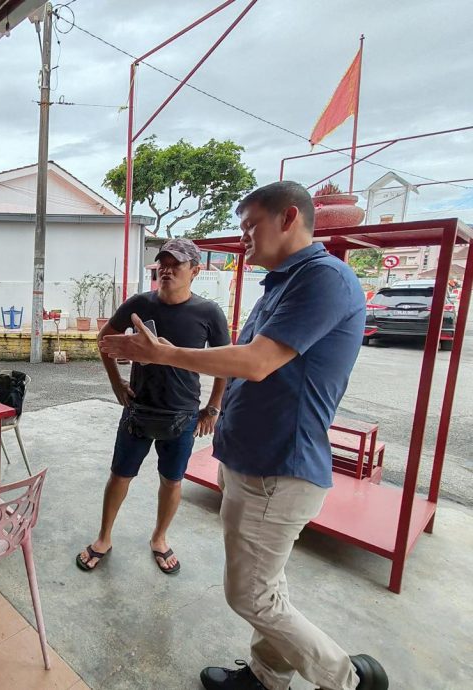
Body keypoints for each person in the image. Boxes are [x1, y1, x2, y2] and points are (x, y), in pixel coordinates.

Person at [99, 181, 388, 690]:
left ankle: (349, 681)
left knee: (250, 596)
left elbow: (254, 363)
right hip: (251, 458)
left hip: (280, 464)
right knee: (264, 586)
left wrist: (167, 355)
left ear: (289, 218)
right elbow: (242, 360)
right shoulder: (282, 283)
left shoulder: (325, 280)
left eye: (251, 224)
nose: (245, 237)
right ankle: (266, 675)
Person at [76, 238, 229, 575]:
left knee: (172, 481)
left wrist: (213, 407)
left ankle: (159, 538)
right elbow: (105, 339)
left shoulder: (209, 313)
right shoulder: (139, 305)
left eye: (176, 264)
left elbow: (224, 364)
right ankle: (104, 538)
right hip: (138, 410)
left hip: (183, 414)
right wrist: (116, 382)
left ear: (195, 271)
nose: (167, 269)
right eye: (163, 262)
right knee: (120, 476)